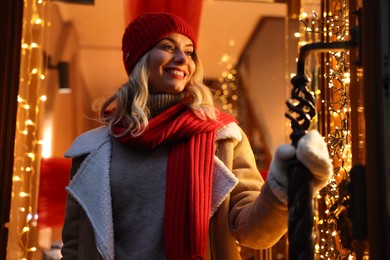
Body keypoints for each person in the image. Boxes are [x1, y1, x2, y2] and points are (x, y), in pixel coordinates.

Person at [60, 12, 333, 260]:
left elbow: (252, 231)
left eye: (189, 52)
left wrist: (283, 190)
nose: (182, 59)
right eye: (167, 47)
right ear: (139, 60)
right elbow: (74, 247)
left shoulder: (222, 137)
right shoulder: (93, 150)